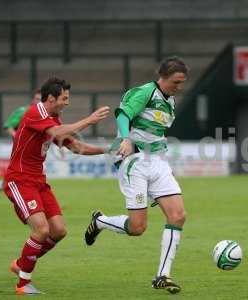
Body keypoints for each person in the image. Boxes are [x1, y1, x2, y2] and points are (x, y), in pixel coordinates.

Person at [84, 56, 188, 294]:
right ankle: (100, 221)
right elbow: (123, 114)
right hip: (135, 162)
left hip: (158, 162)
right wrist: (125, 138)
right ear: (163, 77)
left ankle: (163, 275)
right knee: (138, 227)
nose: (179, 87)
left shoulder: (169, 99)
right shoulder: (145, 92)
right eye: (176, 81)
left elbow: (156, 131)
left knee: (178, 216)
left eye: (182, 82)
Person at [3, 77, 110, 295]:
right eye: (65, 98)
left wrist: (109, 149)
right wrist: (89, 120)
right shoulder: (36, 112)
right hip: (20, 179)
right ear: (51, 98)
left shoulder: (53, 119)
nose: (67, 102)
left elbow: (76, 146)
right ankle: (23, 284)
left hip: (38, 181)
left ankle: (21, 264)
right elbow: (58, 134)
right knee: (41, 229)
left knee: (59, 231)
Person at [0, 90, 41, 201]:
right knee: (17, 174)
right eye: (37, 99)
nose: (38, 102)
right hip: (19, 148)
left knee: (17, 174)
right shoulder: (23, 111)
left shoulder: (43, 114)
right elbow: (8, 125)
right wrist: (17, 137)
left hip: (32, 151)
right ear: (33, 99)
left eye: (40, 100)